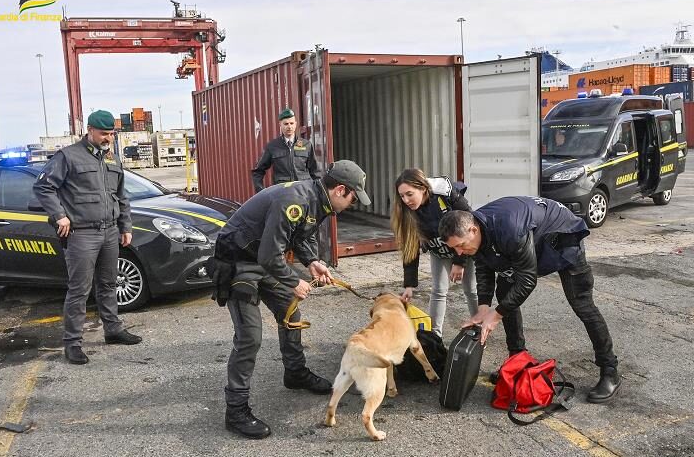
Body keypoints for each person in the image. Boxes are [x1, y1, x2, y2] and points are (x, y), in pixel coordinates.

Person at [211, 160, 371, 439]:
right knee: (250, 336)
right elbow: (269, 256)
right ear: (340, 190)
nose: (353, 204)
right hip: (239, 260)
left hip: (262, 259)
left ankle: (294, 373)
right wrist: (293, 281)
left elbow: (297, 235)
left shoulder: (317, 200)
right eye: (353, 198)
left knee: (290, 313)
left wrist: (312, 262)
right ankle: (235, 410)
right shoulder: (296, 200)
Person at [438, 196, 621, 403]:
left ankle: (609, 370)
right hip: (531, 240)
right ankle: (518, 359)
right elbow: (484, 267)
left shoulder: (510, 229)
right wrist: (483, 308)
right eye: (454, 249)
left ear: (473, 230)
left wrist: (496, 315)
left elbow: (527, 280)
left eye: (460, 245)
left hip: (561, 237)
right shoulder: (478, 233)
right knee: (506, 294)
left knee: (583, 305)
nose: (459, 252)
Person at [33, 110, 142, 365]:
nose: (108, 138)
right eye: (104, 134)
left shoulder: (112, 159)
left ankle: (113, 330)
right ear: (90, 130)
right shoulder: (68, 156)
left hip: (110, 231)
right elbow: (43, 186)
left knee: (108, 283)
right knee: (79, 290)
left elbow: (121, 196)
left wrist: (125, 226)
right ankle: (72, 344)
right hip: (82, 234)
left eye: (112, 134)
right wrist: (60, 215)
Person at [391, 168, 477, 338]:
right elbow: (410, 249)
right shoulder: (407, 212)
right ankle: (434, 336)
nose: (406, 200)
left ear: (423, 188)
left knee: (471, 290)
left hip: (463, 248)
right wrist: (409, 286)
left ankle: (479, 326)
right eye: (402, 196)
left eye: (409, 194)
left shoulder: (445, 197)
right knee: (438, 290)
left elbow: (470, 229)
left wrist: (459, 262)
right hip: (438, 251)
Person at [251, 108, 319, 193]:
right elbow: (257, 171)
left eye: (291, 123)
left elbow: (315, 172)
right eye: (286, 124)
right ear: (280, 124)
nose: (289, 127)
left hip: (304, 193)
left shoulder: (306, 145)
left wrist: (317, 193)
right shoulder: (273, 146)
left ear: (295, 124)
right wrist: (262, 192)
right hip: (282, 194)